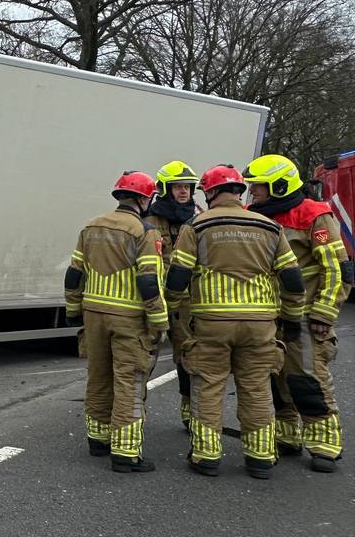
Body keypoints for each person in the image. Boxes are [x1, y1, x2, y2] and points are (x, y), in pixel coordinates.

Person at [165, 165, 305, 479]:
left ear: (211, 192)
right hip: (260, 324)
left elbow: (178, 276)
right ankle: (260, 457)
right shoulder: (270, 227)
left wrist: (172, 311)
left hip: (212, 323)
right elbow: (293, 279)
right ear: (239, 192)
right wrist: (293, 318)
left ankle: (206, 455)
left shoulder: (197, 225)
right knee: (257, 388)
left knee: (208, 386)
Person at [244, 154, 353, 472]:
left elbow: (336, 269)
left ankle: (324, 444)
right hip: (267, 315)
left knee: (306, 379)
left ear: (279, 186)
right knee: (273, 379)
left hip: (304, 315)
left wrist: (323, 313)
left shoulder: (314, 215)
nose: (253, 191)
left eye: (258, 186)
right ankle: (286, 436)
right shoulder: (254, 216)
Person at [65, 171, 168, 472]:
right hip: (128, 318)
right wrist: (159, 322)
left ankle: (98, 440)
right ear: (143, 199)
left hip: (93, 315)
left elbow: (74, 274)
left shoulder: (91, 226)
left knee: (98, 376)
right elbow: (149, 281)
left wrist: (73, 310)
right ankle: (126, 452)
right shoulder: (144, 231)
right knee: (129, 381)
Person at [149, 160, 201, 430]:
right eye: (178, 186)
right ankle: (130, 408)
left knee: (188, 355)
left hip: (185, 301)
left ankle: (190, 408)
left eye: (187, 187)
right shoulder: (149, 219)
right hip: (154, 298)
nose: (184, 191)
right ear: (165, 189)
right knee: (142, 355)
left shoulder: (199, 218)